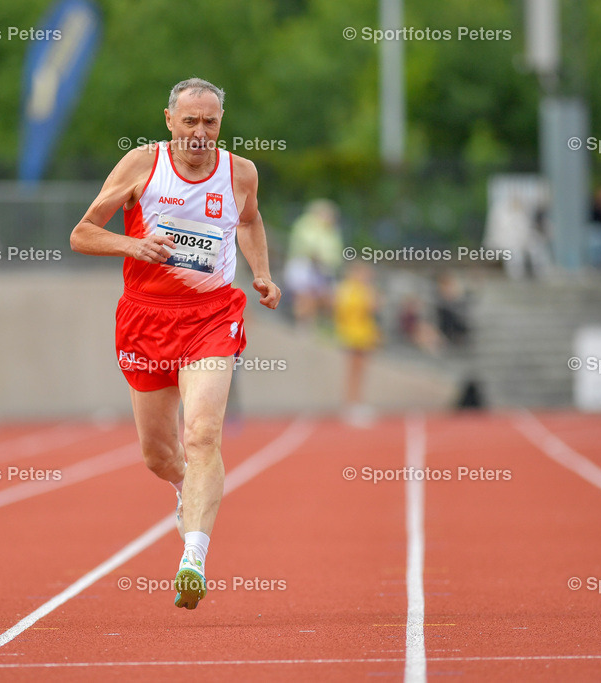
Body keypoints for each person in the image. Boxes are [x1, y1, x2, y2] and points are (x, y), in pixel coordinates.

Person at [70, 77, 281, 610]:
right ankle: (186, 487)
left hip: (212, 317)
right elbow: (82, 233)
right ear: (169, 121)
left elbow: (250, 221)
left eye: (210, 122)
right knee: (159, 455)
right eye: (190, 121)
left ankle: (194, 556)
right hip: (146, 319)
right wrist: (133, 245)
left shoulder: (241, 172)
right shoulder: (142, 165)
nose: (200, 133)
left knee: (203, 434)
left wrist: (261, 273)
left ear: (221, 124)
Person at [283, 199, 343, 328]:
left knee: (322, 296)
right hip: (304, 264)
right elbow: (307, 246)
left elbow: (334, 253)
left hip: (323, 268)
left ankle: (311, 323)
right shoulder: (306, 225)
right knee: (304, 294)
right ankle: (302, 322)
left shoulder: (331, 231)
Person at [333, 263, 380, 427]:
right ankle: (350, 404)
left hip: (364, 333)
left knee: (360, 371)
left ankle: (357, 402)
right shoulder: (348, 289)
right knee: (353, 370)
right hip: (352, 333)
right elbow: (346, 309)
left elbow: (373, 309)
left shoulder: (363, 289)